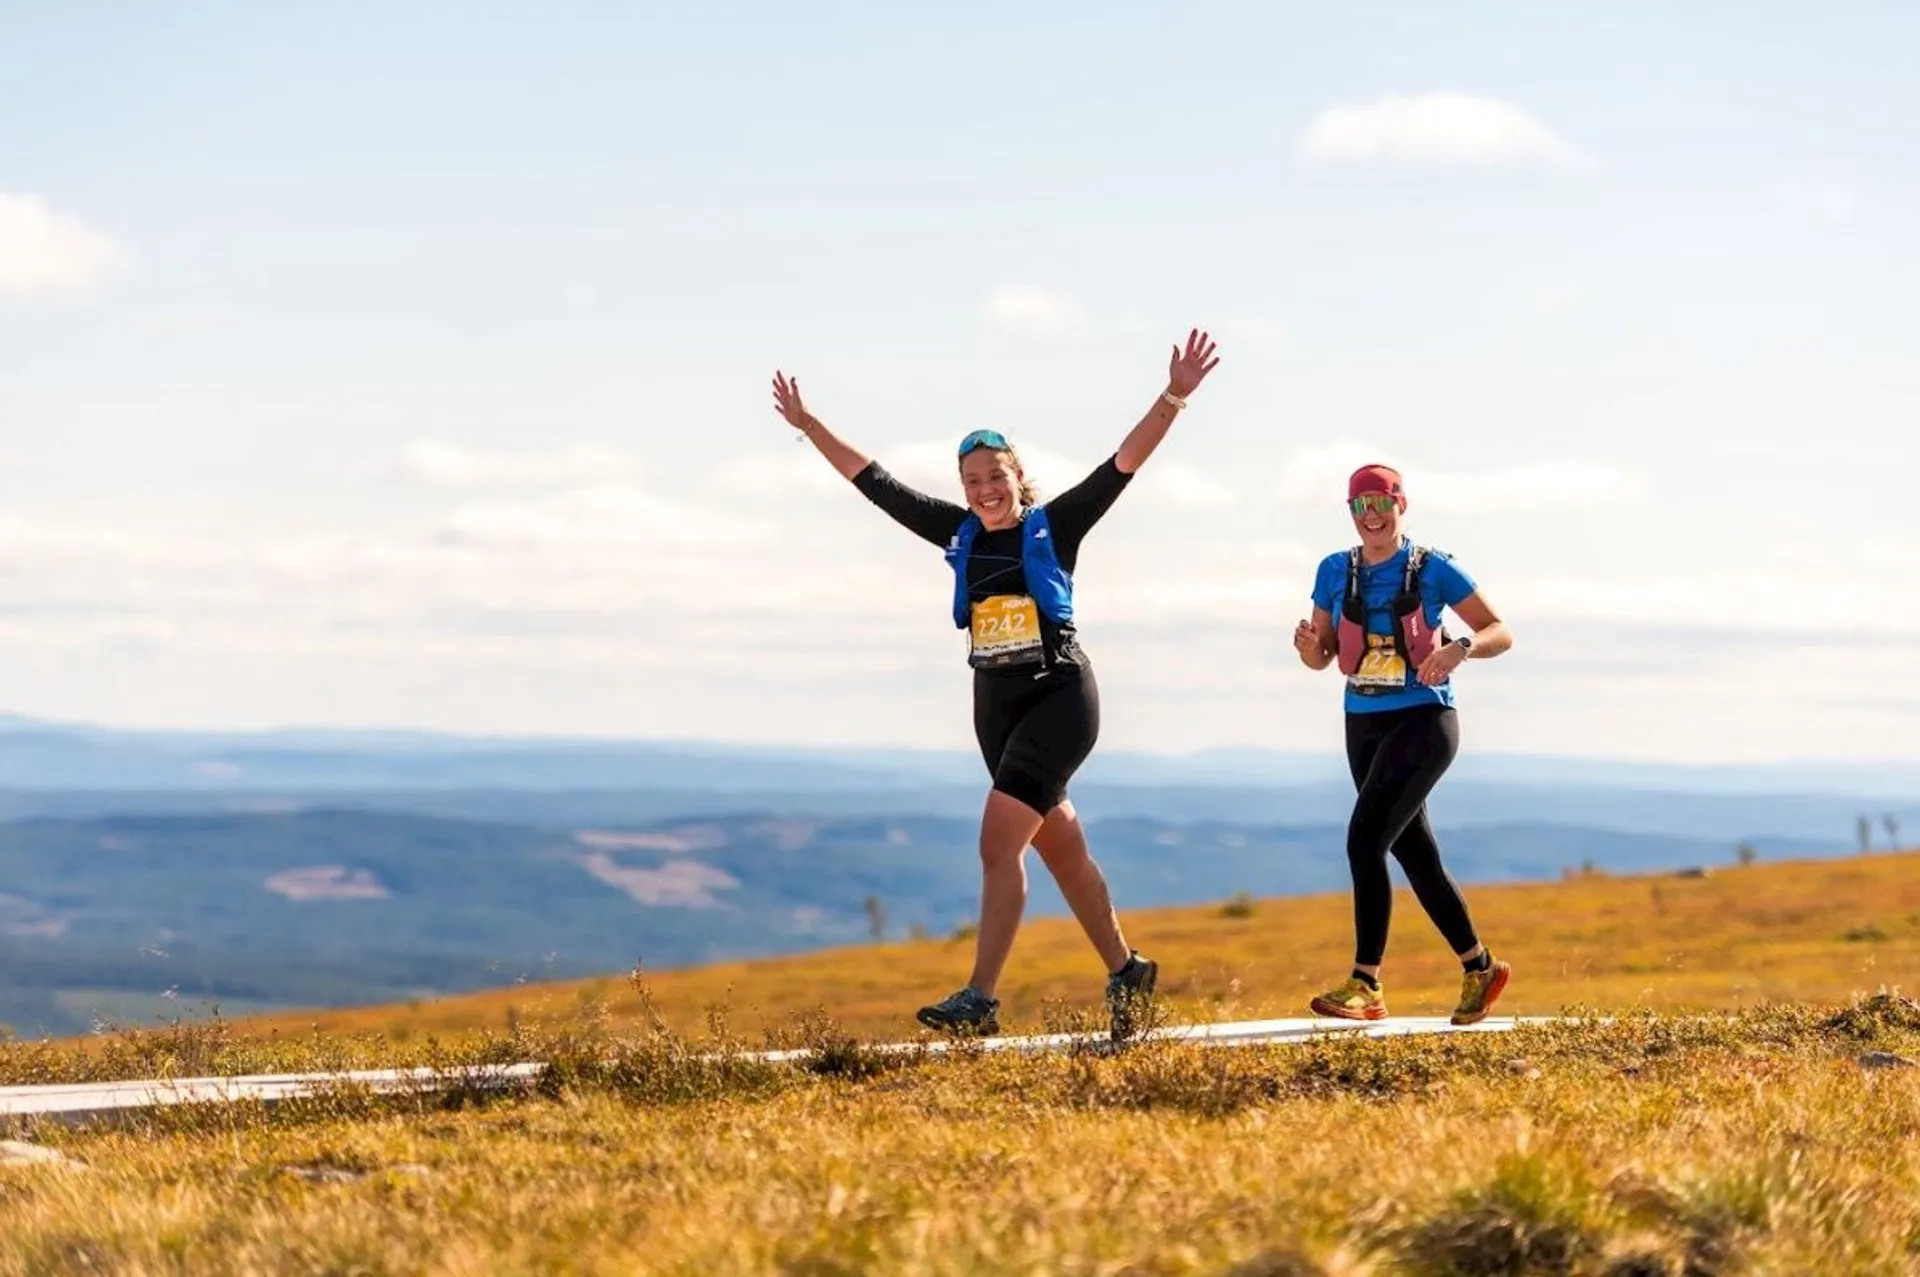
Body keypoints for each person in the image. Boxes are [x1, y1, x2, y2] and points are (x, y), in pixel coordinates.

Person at [769, 329, 1222, 1041]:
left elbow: (1123, 463)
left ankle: (980, 997)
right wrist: (809, 425)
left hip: (1060, 695)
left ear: (1017, 478)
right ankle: (1128, 969)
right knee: (1063, 853)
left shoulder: (1054, 526)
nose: (983, 490)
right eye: (972, 481)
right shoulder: (958, 535)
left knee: (996, 844)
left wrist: (1174, 395)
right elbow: (875, 483)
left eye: (994, 477)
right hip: (995, 708)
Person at [1291, 462, 1514, 1026]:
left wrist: (1459, 647)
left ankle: (1366, 983)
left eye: (1380, 504)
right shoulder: (1332, 570)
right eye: (1359, 507)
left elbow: (1499, 630)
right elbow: (1321, 658)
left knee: (1365, 842)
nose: (1371, 516)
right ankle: (1479, 966)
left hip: (1423, 721)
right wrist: (1304, 647)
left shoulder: (1433, 567)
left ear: (1400, 505)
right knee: (1414, 853)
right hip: (1362, 720)